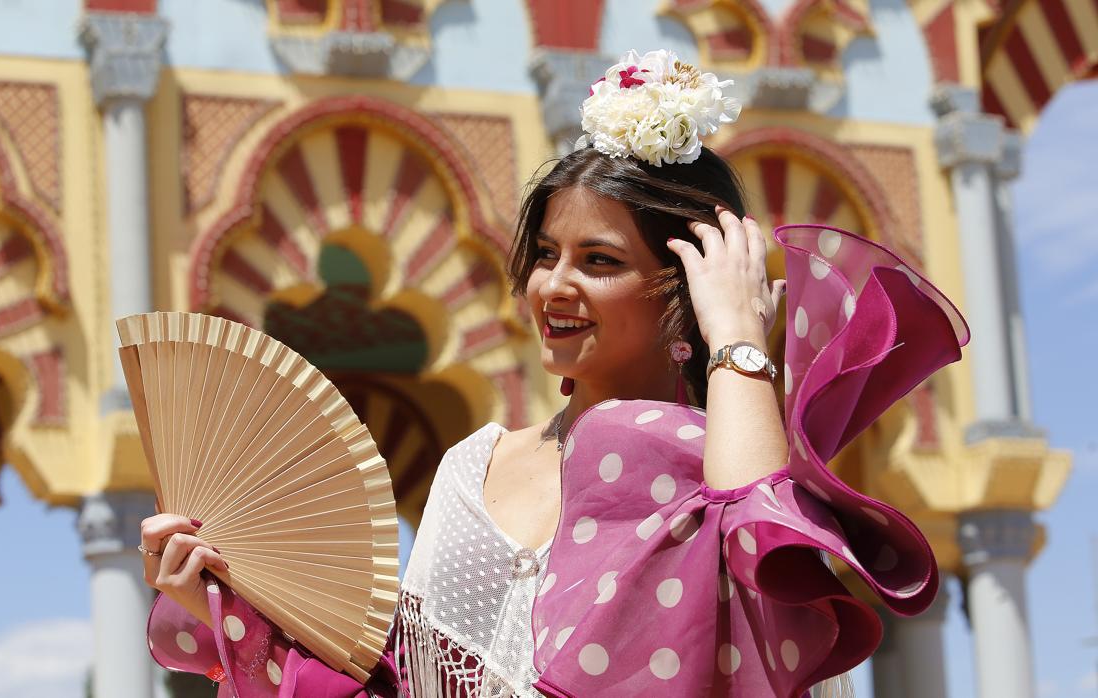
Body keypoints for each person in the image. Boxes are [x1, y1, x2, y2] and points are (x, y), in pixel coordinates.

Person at [137, 50, 969, 697]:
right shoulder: (472, 468)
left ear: (683, 286)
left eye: (597, 260)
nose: (552, 285)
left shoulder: (721, 467)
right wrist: (221, 597)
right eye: (543, 255)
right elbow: (395, 684)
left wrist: (737, 335)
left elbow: (758, 557)